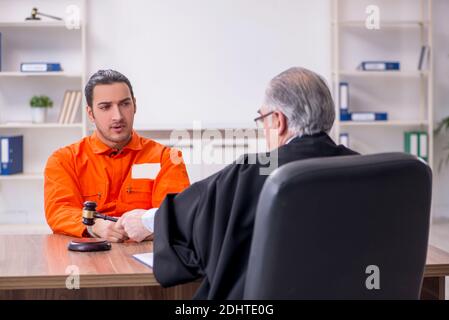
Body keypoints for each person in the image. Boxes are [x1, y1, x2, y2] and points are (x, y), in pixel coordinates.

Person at [117, 67, 358, 299]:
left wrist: (147, 221)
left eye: (262, 118)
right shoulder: (362, 169)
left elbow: (193, 215)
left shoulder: (261, 169)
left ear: (278, 120)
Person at [44, 70, 190, 241]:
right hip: (87, 254)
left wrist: (149, 225)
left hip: (145, 254)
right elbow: (59, 211)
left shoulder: (167, 158)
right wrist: (94, 225)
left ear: (134, 105)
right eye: (105, 107)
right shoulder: (63, 160)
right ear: (91, 113)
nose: (118, 116)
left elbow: (177, 213)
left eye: (125, 104)